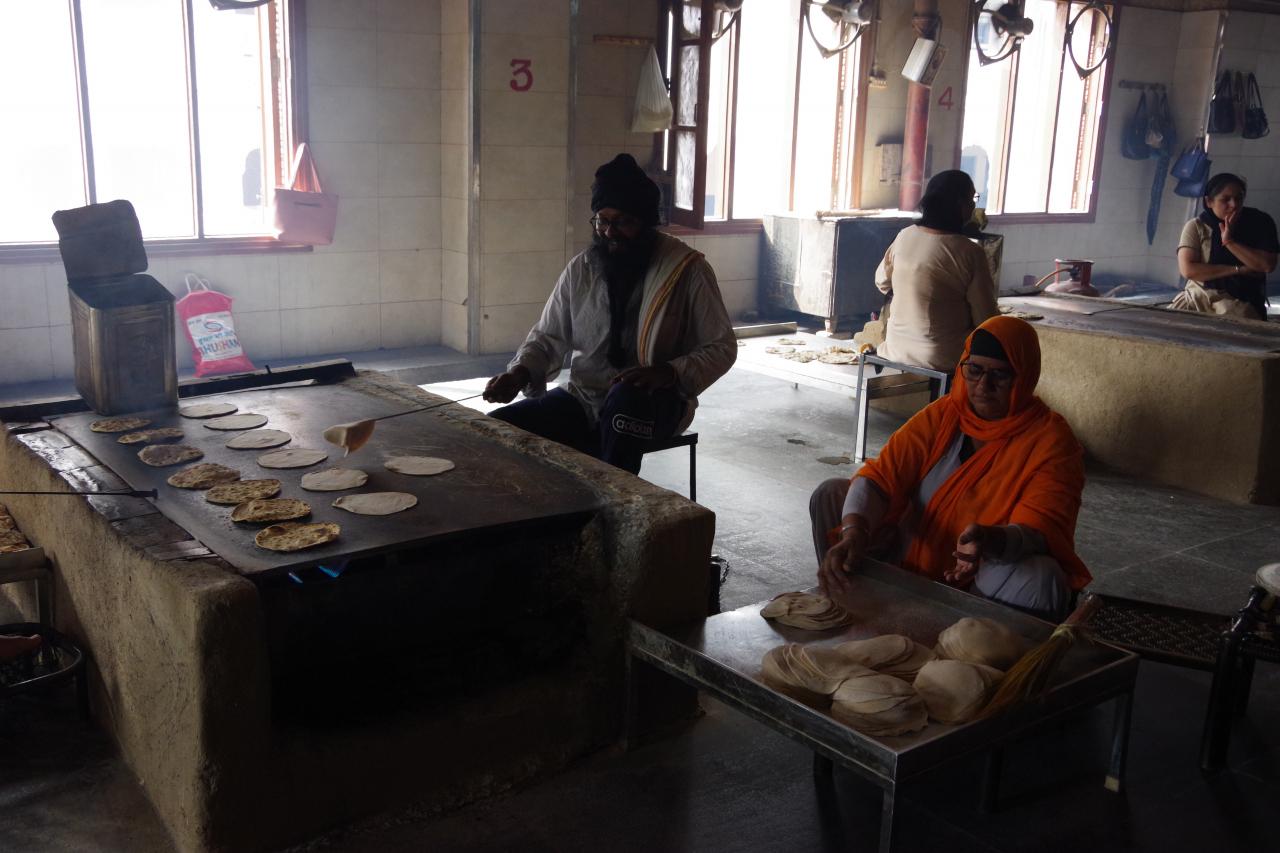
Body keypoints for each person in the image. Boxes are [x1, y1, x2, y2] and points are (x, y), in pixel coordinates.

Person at [810, 316, 1089, 621]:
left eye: (1000, 375)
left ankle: (972, 639)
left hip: (980, 578)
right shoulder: (945, 415)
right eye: (975, 370)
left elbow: (1039, 530)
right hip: (908, 553)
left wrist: (992, 540)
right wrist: (854, 534)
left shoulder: (1051, 442)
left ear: (1024, 377)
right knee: (832, 494)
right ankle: (844, 601)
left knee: (1042, 578)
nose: (983, 386)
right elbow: (882, 477)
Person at [483, 154, 737, 474]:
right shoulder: (582, 268)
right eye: (602, 221)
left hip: (655, 403)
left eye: (623, 222)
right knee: (494, 431)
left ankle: (609, 504)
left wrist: (669, 372)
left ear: (646, 223)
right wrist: (519, 373)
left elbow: (721, 347)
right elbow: (548, 336)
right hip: (585, 399)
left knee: (623, 408)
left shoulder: (685, 269)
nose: (609, 233)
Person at [874, 170, 999, 372]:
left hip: (895, 348)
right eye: (972, 199)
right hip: (943, 356)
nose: (973, 205)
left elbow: (882, 282)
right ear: (959, 204)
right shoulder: (970, 251)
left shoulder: (904, 235)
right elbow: (985, 318)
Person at [1173, 172, 1278, 320]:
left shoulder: (1260, 222)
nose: (1233, 205)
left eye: (1238, 198)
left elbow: (1266, 265)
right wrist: (1238, 269)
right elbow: (1188, 270)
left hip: (1241, 301)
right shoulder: (1197, 226)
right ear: (1209, 201)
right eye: (1225, 199)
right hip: (1198, 297)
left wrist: (1229, 242)